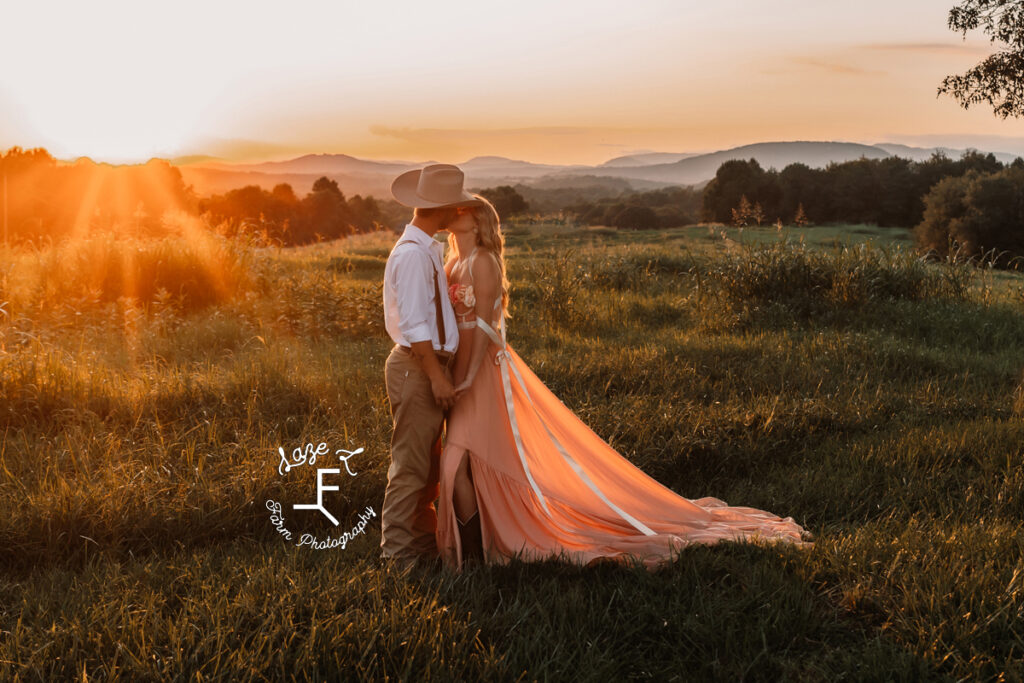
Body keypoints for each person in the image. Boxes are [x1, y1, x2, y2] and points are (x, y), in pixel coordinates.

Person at [435, 195, 814, 572]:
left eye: (461, 208)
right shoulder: (453, 261)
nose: (453, 212)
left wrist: (469, 375)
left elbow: (487, 325)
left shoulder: (483, 260)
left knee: (460, 459)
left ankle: (472, 559)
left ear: (478, 219)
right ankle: (476, 552)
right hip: (459, 369)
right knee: (461, 461)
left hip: (482, 371)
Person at [380, 163, 483, 570]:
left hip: (427, 365)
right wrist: (438, 376)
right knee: (410, 467)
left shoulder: (426, 249)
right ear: (443, 209)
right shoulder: (410, 255)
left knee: (427, 470)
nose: (459, 212)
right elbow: (415, 323)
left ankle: (422, 548)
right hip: (417, 366)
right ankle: (398, 558)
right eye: (455, 206)